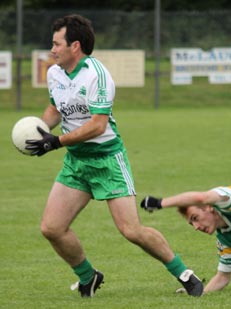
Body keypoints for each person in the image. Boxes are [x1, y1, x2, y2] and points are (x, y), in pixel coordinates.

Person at [25, 14, 203, 297]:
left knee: (132, 231)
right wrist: (37, 131)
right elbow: (55, 109)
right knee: (52, 228)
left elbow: (98, 125)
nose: (52, 49)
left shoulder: (97, 75)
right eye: (52, 43)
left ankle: (184, 272)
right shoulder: (55, 73)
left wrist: (55, 142)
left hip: (108, 160)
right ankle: (88, 276)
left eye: (57, 44)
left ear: (76, 46)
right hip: (76, 162)